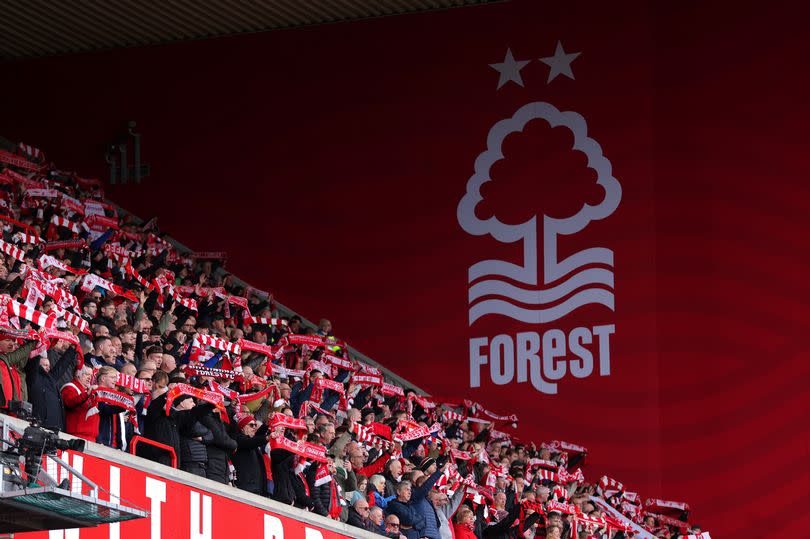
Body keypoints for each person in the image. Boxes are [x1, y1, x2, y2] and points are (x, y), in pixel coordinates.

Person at [26, 344, 77, 430]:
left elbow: (61, 366)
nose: (48, 368)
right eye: (45, 365)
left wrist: (72, 349)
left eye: (49, 366)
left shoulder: (51, 379)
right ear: (37, 365)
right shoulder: (33, 377)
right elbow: (33, 361)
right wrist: (39, 345)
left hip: (55, 427)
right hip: (39, 424)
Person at [231, 414, 270, 495]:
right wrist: (267, 438)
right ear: (242, 427)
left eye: (255, 425)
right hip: (245, 487)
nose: (254, 428)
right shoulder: (238, 439)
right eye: (251, 425)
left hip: (257, 488)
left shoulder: (253, 440)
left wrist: (267, 423)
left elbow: (258, 436)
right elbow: (251, 442)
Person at [61, 365, 99, 441]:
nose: (89, 377)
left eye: (91, 375)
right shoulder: (69, 387)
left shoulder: (88, 391)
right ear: (77, 374)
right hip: (76, 436)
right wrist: (87, 394)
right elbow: (70, 403)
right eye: (86, 374)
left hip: (91, 437)